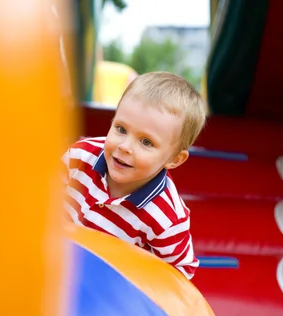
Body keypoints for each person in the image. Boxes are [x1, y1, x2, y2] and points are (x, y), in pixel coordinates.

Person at [63, 71, 206, 279]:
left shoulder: (167, 218)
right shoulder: (79, 156)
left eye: (146, 142)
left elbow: (180, 274)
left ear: (174, 159)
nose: (125, 146)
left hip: (106, 287)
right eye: (121, 129)